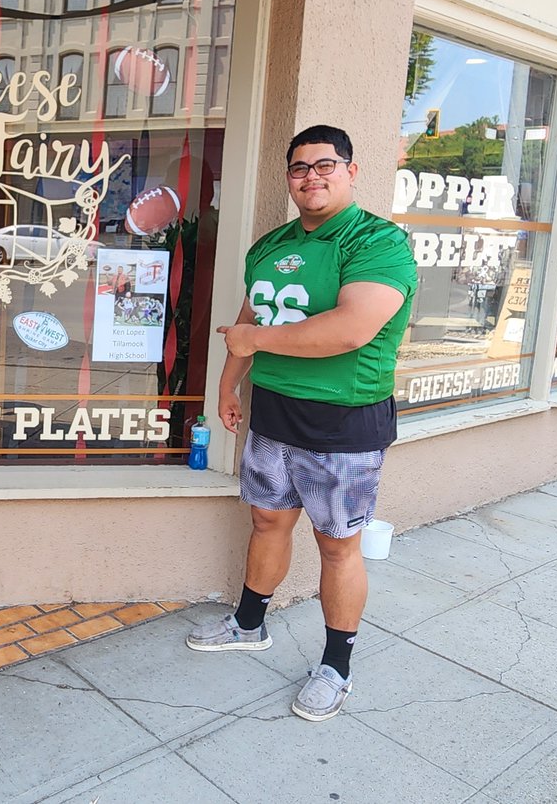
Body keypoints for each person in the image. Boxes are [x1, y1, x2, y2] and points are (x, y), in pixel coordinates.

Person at [186, 125, 417, 722]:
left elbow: (351, 329)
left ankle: (337, 666)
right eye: (299, 167)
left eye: (325, 165)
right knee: (267, 521)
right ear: (288, 177)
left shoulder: (378, 241)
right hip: (274, 411)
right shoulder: (270, 245)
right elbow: (248, 319)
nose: (311, 177)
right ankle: (249, 624)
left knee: (337, 547)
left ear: (351, 171)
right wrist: (228, 383)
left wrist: (253, 342)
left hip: (344, 422)